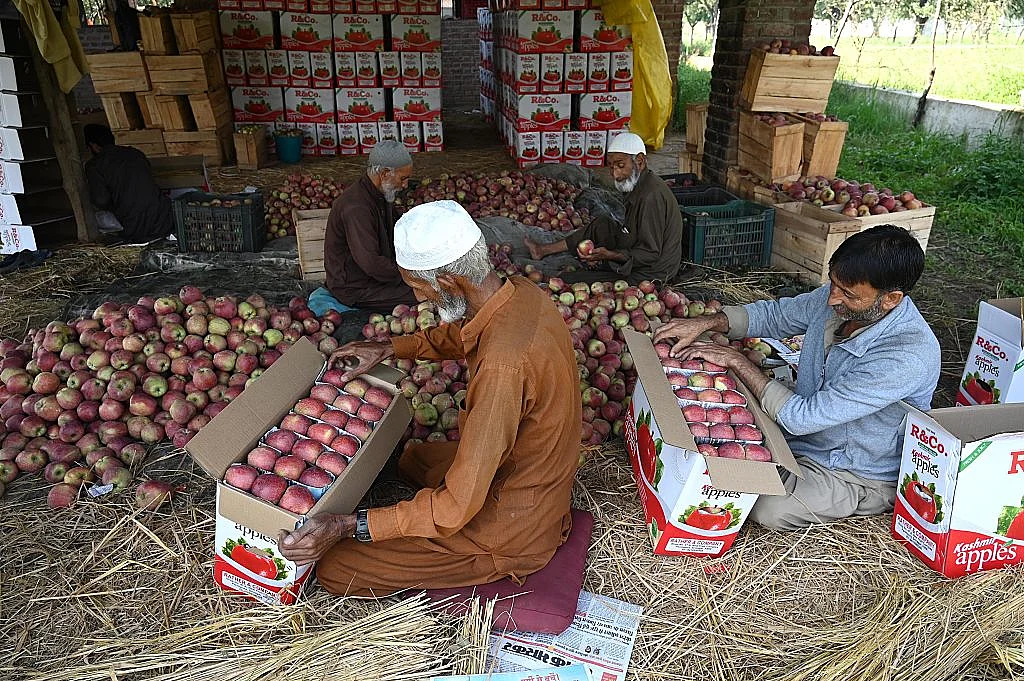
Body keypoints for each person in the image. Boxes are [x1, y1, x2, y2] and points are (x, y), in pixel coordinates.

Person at [280, 200, 582, 596]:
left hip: (511, 526)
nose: (419, 298)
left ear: (449, 282)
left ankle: (491, 552)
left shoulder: (502, 368)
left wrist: (351, 525)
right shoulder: (519, 294)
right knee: (413, 458)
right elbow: (468, 333)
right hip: (529, 467)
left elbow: (457, 508)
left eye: (419, 287)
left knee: (335, 568)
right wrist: (391, 347)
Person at [653, 225, 941, 530]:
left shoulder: (906, 356)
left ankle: (868, 498)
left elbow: (804, 416)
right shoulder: (839, 300)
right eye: (833, 284)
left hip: (850, 469)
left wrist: (737, 360)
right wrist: (707, 322)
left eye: (849, 294)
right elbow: (777, 316)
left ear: (891, 299)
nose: (832, 299)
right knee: (716, 452)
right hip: (803, 434)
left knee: (767, 507)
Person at [524, 132, 683, 285]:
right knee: (602, 225)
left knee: (573, 279)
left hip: (653, 271)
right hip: (638, 246)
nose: (615, 174)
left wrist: (611, 255)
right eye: (611, 167)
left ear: (640, 161)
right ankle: (542, 250)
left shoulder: (651, 197)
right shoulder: (639, 184)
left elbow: (650, 253)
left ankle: (590, 271)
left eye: (621, 166)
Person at [321, 139, 418, 315]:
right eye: (403, 179)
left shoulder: (380, 194)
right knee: (424, 292)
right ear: (385, 173)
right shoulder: (357, 208)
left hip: (376, 276)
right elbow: (372, 263)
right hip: (355, 287)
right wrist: (412, 275)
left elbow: (399, 226)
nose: (405, 185)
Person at [84, 124, 173, 243]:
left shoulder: (95, 165)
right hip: (164, 218)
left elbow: (101, 200)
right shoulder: (135, 153)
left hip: (136, 227)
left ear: (93, 146)